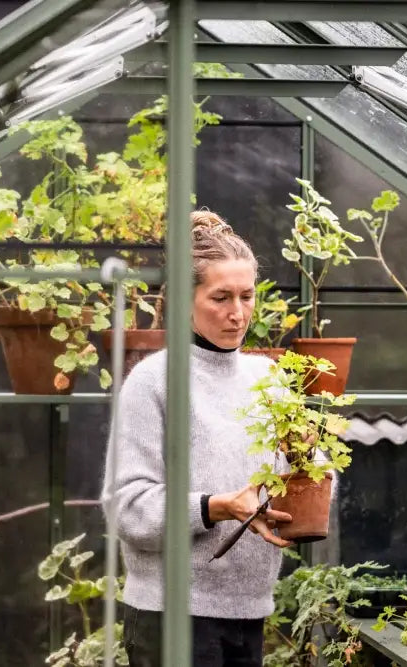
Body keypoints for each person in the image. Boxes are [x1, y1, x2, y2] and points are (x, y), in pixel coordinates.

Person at [101, 211, 293, 666]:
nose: (237, 312)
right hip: (172, 619)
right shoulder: (155, 381)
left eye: (247, 296)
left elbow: (312, 479)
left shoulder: (270, 379)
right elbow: (126, 507)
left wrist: (308, 467)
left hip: (249, 613)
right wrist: (217, 506)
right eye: (221, 297)